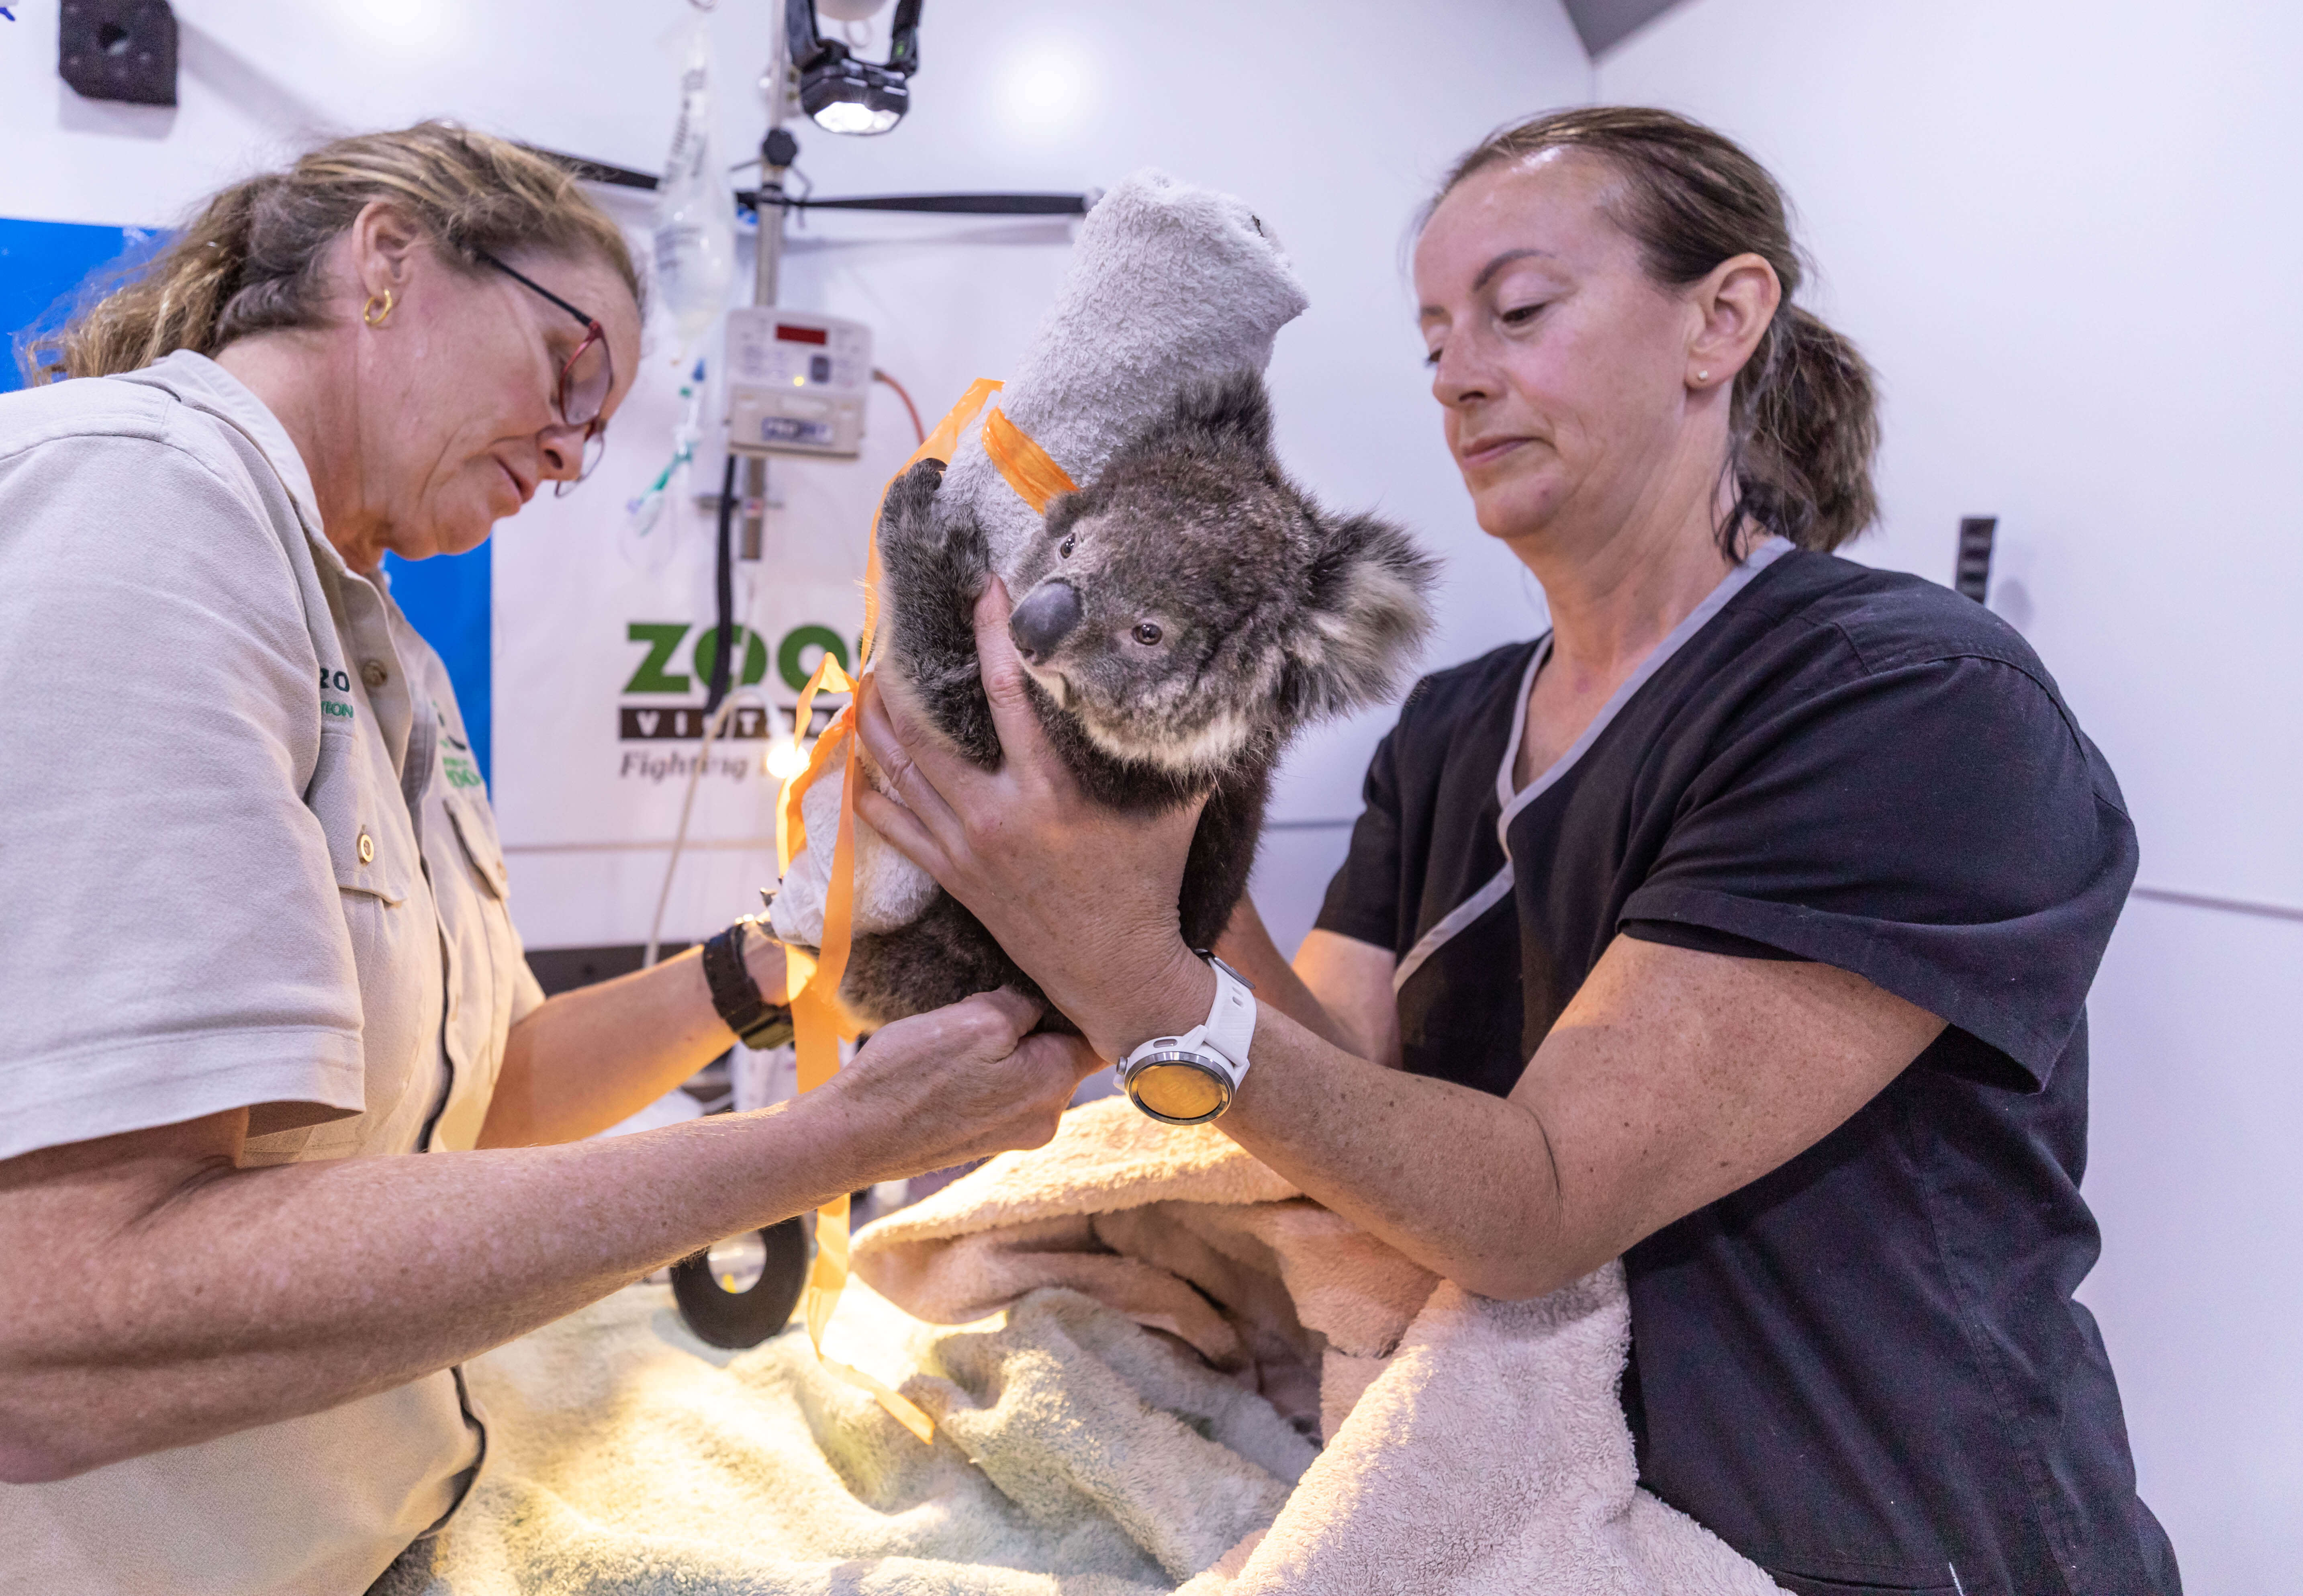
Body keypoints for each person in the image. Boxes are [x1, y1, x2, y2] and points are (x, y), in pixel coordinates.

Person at [852, 108, 2180, 1595]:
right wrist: (1121, 808)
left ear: (1720, 320)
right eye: (1433, 344)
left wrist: (1128, 965)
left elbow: (1533, 1205)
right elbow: (1325, 1114)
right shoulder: (1456, 722)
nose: (1461, 378)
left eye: (1520, 310)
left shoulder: (1903, 707)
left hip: (1860, 1536)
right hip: (1498, 1507)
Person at [0, 123, 1089, 1595]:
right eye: (571, 372)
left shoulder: (381, 642)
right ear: (388, 261)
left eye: (603, 426)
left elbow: (481, 1102)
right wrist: (832, 1145)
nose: (577, 453)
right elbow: (61, 1310)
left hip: (394, 1517)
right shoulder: (136, 506)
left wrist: (779, 957)